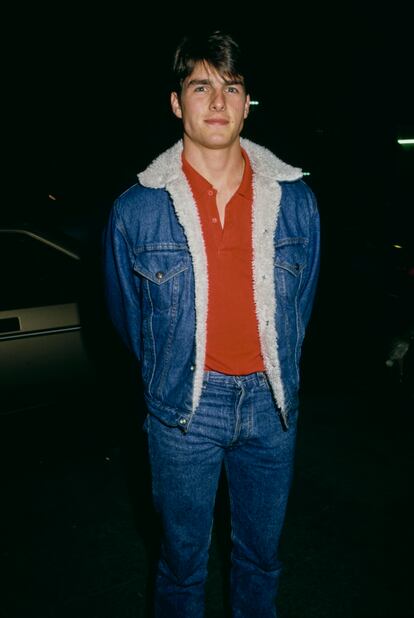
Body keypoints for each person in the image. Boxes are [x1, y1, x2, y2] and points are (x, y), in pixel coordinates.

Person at [103, 29, 320, 618]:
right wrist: (170, 372)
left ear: (248, 101)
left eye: (232, 86)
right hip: (183, 412)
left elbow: (301, 305)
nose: (218, 102)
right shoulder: (136, 209)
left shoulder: (297, 198)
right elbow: (128, 320)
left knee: (261, 560)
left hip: (273, 408)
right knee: (181, 566)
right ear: (177, 103)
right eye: (201, 86)